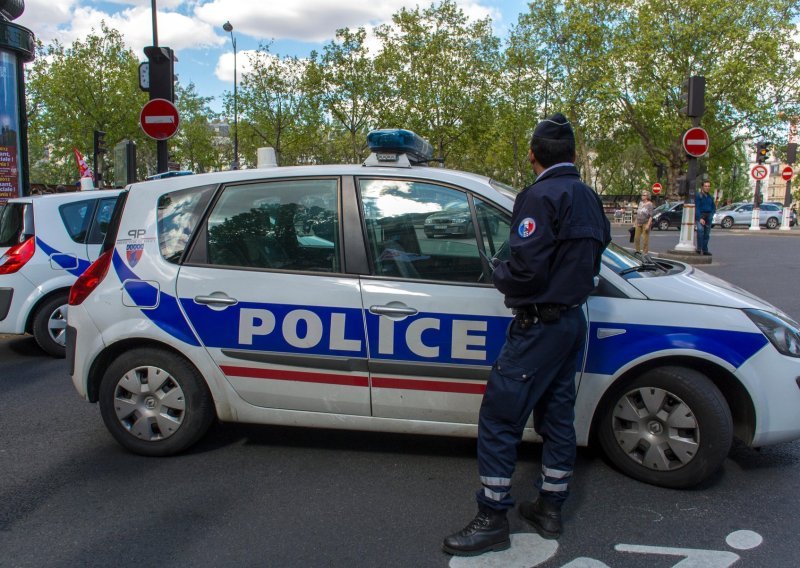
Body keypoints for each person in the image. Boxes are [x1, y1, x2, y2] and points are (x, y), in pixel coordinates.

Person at [442, 113, 611, 557]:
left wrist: (500, 274)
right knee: (557, 415)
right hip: (573, 322)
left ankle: (492, 518)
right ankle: (550, 507)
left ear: (533, 155)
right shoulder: (589, 197)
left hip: (538, 327)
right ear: (573, 154)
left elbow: (527, 270)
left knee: (499, 418)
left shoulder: (539, 197)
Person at [696, 181, 715, 255]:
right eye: (705, 186)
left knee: (707, 234)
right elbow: (696, 208)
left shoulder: (710, 197)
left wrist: (712, 214)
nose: (707, 187)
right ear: (702, 187)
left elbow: (713, 207)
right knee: (700, 231)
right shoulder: (698, 196)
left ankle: (705, 250)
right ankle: (699, 248)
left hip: (709, 216)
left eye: (708, 186)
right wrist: (699, 218)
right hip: (701, 215)